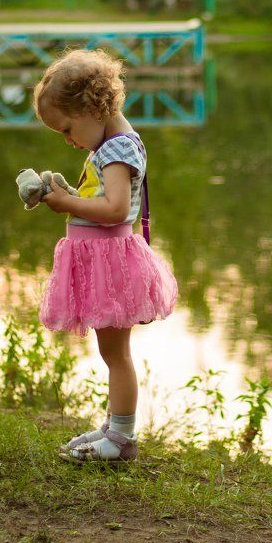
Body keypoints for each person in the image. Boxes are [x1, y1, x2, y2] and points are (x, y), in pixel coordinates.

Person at [33, 48, 178, 465]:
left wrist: (68, 205)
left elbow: (115, 210)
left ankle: (121, 440)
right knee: (111, 353)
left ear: (92, 108)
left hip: (111, 264)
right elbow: (106, 201)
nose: (68, 140)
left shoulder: (117, 149)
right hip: (104, 261)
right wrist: (67, 194)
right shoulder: (110, 143)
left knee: (117, 355)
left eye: (67, 129)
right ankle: (114, 427)